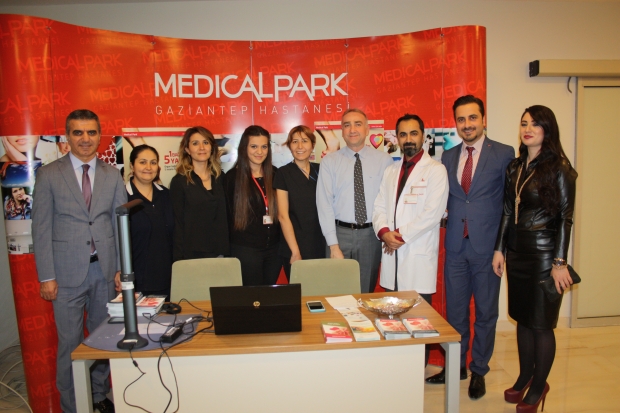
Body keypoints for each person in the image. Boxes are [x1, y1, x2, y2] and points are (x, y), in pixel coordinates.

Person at [32, 109, 125, 413]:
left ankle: (97, 395)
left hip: (104, 271)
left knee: (102, 339)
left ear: (99, 136)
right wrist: (46, 276)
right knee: (70, 344)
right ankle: (72, 406)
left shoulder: (112, 174)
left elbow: (119, 224)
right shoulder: (49, 174)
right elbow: (41, 228)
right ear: (67, 137)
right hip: (65, 275)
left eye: (91, 132)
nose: (85, 139)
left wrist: (121, 269)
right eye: (78, 132)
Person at [426, 95, 514, 401]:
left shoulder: (503, 153)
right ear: (456, 123)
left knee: (486, 313)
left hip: (488, 250)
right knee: (455, 313)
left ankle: (479, 370)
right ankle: (457, 366)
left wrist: (501, 248)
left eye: (472, 118)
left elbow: (509, 206)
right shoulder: (448, 157)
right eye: (461, 119)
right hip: (455, 247)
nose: (467, 124)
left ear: (483, 119)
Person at [493, 106, 577, 413]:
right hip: (517, 254)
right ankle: (525, 376)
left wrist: (559, 262)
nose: (527, 129)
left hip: (544, 256)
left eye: (535, 124)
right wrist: (500, 249)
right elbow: (507, 211)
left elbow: (566, 218)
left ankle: (540, 385)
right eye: (524, 123)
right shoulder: (516, 167)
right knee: (523, 319)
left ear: (547, 129)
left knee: (541, 324)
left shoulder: (560, 168)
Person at [372, 114, 448, 365]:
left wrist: (399, 236)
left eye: (413, 133)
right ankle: (396, 369)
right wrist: (384, 232)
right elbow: (379, 206)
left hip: (416, 254)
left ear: (423, 136)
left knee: (418, 320)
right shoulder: (391, 170)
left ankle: (417, 370)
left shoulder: (436, 170)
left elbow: (433, 214)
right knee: (392, 319)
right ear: (396, 138)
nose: (408, 139)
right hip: (392, 254)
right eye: (402, 134)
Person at [316, 108, 393, 293]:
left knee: (365, 292)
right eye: (347, 125)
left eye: (358, 124)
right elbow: (324, 204)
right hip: (339, 235)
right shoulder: (329, 162)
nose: (352, 129)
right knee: (337, 293)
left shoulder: (385, 161)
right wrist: (333, 245)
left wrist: (386, 234)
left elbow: (389, 202)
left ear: (367, 129)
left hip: (371, 236)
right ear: (342, 131)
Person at [225, 125, 280, 285]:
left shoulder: (275, 174)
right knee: (252, 296)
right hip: (245, 250)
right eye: (254, 146)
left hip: (274, 251)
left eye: (264, 147)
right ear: (244, 148)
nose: (259, 152)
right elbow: (227, 217)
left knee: (269, 294)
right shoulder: (232, 178)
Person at [274, 125, 327, 279]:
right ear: (289, 146)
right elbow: (283, 216)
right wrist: (295, 251)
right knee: (300, 290)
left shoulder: (321, 170)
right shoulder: (283, 173)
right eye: (295, 141)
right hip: (294, 245)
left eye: (304, 141)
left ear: (313, 145)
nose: (300, 146)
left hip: (320, 244)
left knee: (321, 289)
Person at [170, 126, 229, 261]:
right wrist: (179, 259)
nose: (201, 147)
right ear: (187, 149)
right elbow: (178, 224)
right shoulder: (179, 182)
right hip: (192, 255)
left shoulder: (221, 178)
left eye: (206, 142)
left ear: (212, 148)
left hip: (220, 252)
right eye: (195, 143)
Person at [126, 145, 174, 299]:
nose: (148, 167)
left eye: (153, 163)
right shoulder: (122, 197)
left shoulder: (166, 195)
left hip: (168, 279)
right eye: (143, 162)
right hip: (138, 281)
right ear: (132, 166)